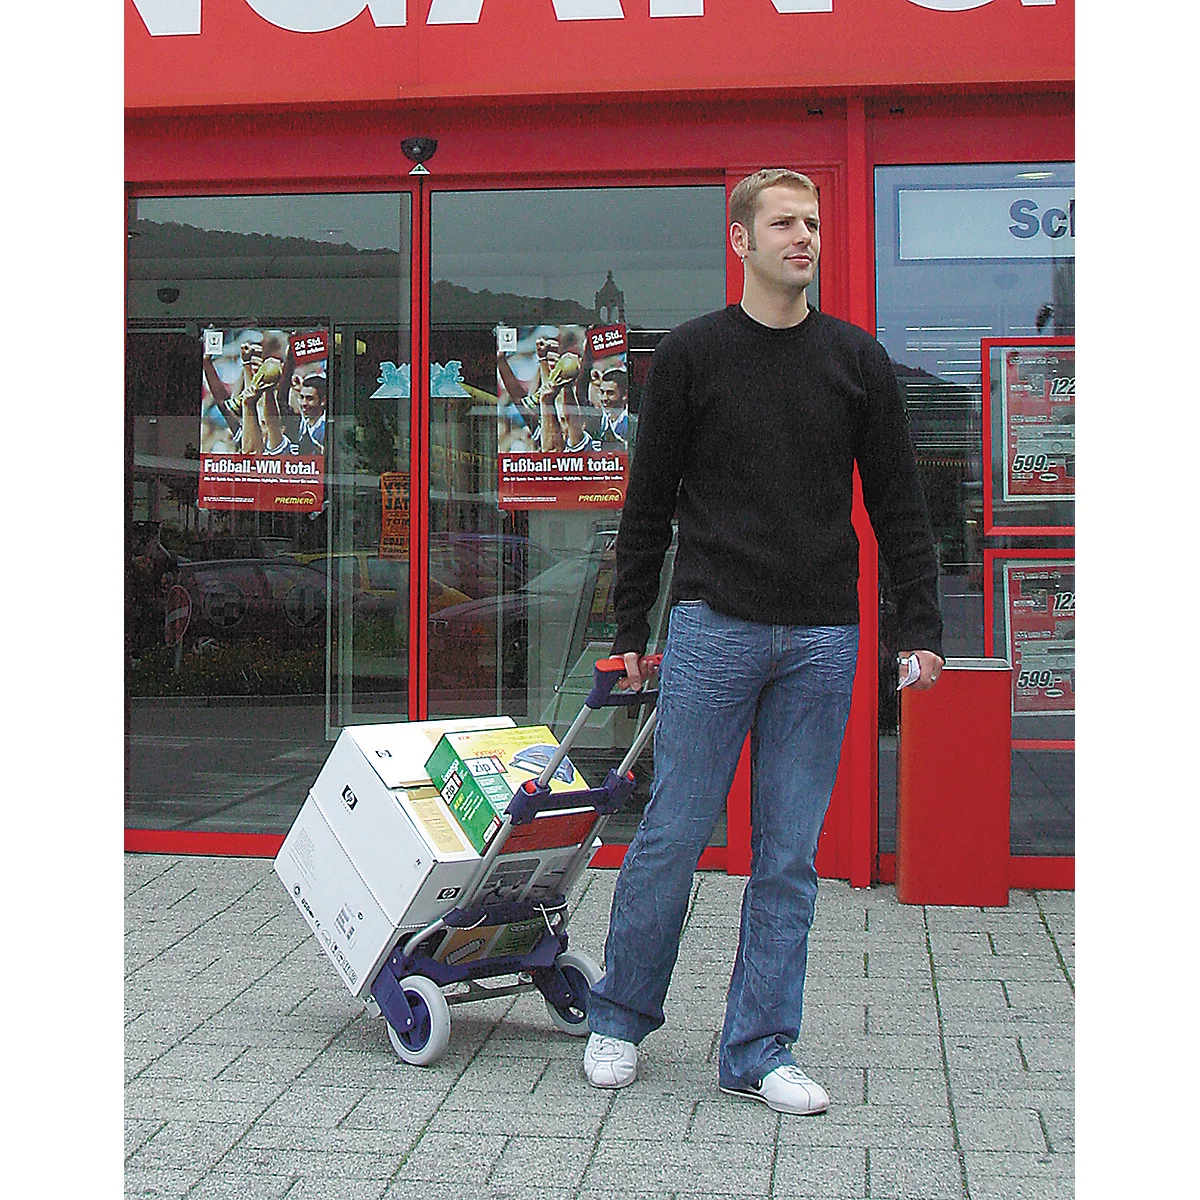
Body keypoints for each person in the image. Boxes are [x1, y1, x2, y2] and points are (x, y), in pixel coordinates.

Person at [582, 168, 945, 1116]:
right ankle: (620, 1016)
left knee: (788, 856)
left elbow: (900, 503)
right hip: (713, 626)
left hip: (825, 637)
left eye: (814, 223)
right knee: (667, 836)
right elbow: (646, 503)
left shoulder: (856, 362)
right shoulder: (695, 358)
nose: (806, 237)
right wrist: (628, 625)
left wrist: (921, 625)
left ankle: (757, 1046)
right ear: (739, 240)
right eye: (784, 222)